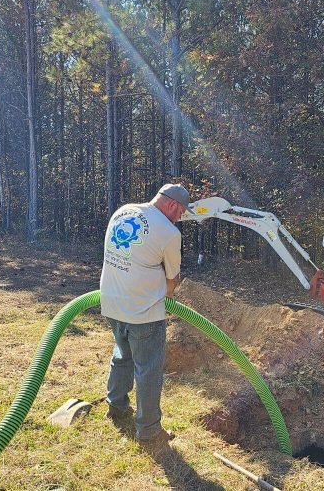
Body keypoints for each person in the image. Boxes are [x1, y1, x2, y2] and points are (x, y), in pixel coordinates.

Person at [99, 183, 193, 454]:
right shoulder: (168, 232)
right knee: (148, 371)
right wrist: (169, 296)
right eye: (181, 213)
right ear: (173, 206)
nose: (180, 218)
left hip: (111, 303)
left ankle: (116, 405)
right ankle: (149, 431)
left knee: (122, 355)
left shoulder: (124, 211)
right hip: (143, 313)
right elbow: (171, 281)